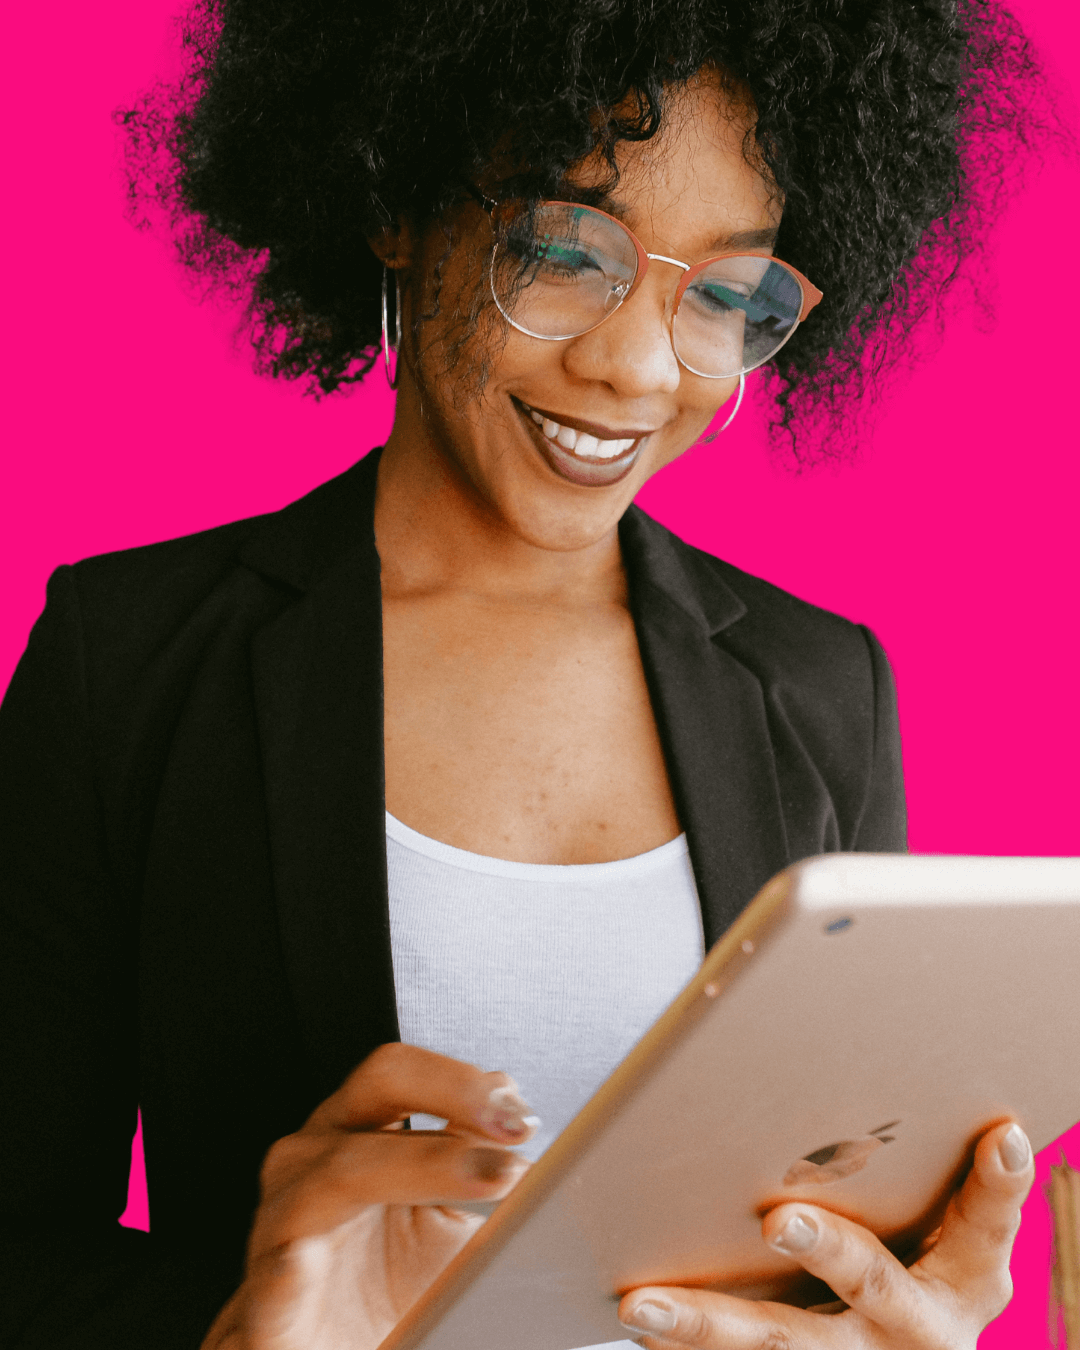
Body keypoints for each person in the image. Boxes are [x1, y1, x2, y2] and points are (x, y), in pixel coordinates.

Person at [0, 0, 1053, 1346]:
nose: (636, 367)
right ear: (395, 194)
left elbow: (845, 1237)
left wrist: (910, 1319)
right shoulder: (133, 657)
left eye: (724, 293)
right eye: (562, 252)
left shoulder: (821, 684)